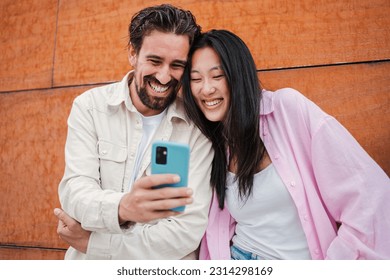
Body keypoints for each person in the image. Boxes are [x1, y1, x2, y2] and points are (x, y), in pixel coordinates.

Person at [181, 29, 390, 260]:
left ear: (238, 75)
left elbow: (370, 197)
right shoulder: (212, 141)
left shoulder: (287, 110)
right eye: (196, 79)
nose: (206, 89)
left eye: (217, 76)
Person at [55, 4, 213, 260]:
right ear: (132, 52)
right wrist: (123, 208)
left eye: (177, 65)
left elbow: (185, 232)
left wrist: (95, 243)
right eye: (154, 61)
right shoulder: (90, 107)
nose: (164, 76)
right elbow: (75, 192)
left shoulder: (197, 127)